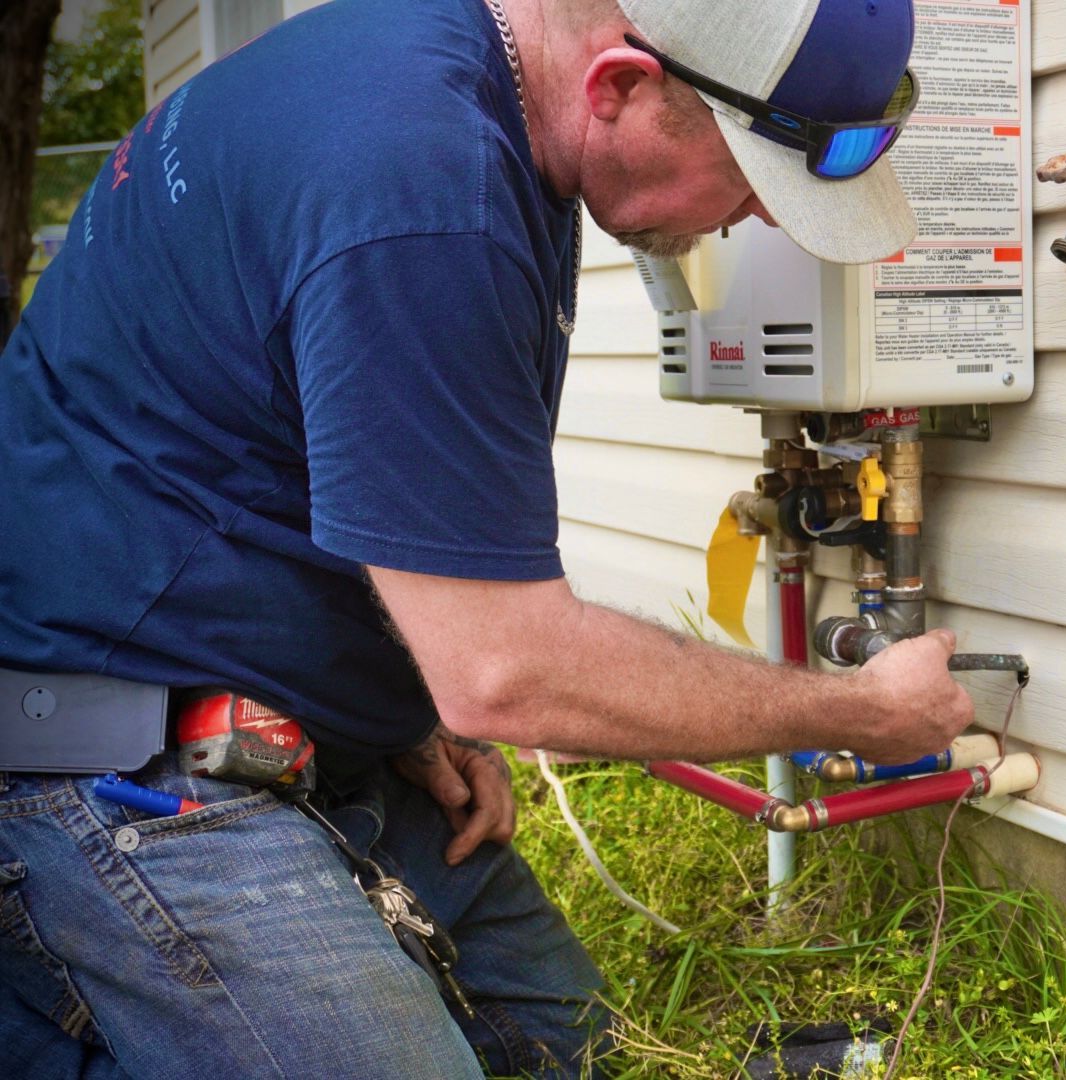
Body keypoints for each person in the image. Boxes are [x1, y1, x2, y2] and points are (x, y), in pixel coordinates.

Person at [0, 0, 975, 1076]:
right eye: (751, 175)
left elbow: (312, 454)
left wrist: (399, 705)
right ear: (618, 88)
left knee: (578, 1051)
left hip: (285, 723)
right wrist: (861, 714)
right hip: (107, 768)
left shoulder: (451, 81)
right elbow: (507, 673)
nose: (760, 219)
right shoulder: (425, 194)